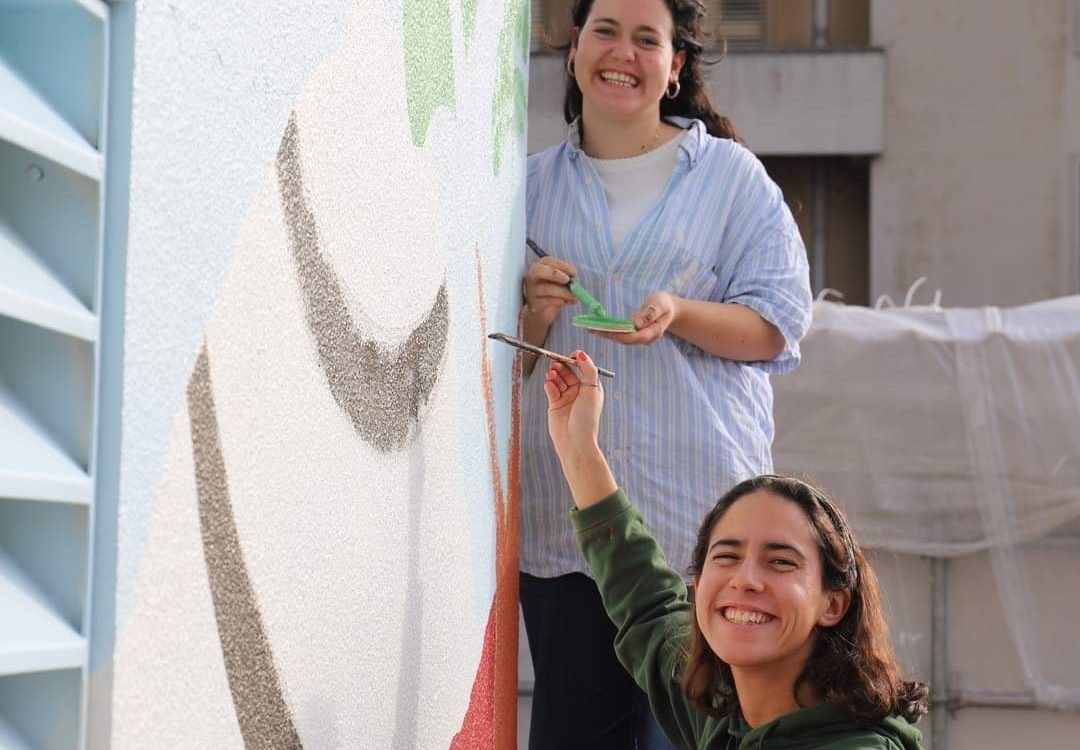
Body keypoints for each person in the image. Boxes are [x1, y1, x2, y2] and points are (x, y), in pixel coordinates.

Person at [519, 1, 813, 747]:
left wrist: (679, 312)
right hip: (568, 534)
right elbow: (499, 363)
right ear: (574, 48)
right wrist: (535, 316)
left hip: (698, 539)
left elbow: (778, 324)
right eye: (605, 31)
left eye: (646, 39)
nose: (623, 53)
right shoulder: (527, 188)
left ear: (674, 65)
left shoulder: (732, 179)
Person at [540, 351, 929, 750]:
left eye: (780, 562)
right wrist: (578, 447)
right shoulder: (723, 711)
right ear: (698, 584)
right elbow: (646, 600)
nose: (745, 580)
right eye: (726, 557)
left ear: (833, 604)